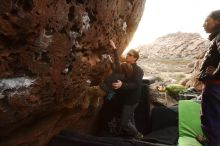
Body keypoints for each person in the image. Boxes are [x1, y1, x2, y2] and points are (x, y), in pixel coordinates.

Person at [198, 10, 220, 146]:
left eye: (207, 20)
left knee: (211, 116)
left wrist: (216, 73)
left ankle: (212, 142)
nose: (203, 24)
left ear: (217, 21)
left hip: (215, 85)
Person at [112, 49, 144, 139]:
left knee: (124, 123)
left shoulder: (138, 70)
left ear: (135, 58)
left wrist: (122, 85)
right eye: (127, 54)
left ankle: (138, 135)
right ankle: (134, 136)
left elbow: (135, 84)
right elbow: (117, 67)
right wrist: (115, 49)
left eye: (130, 55)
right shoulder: (125, 66)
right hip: (127, 98)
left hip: (132, 100)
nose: (127, 56)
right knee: (130, 118)